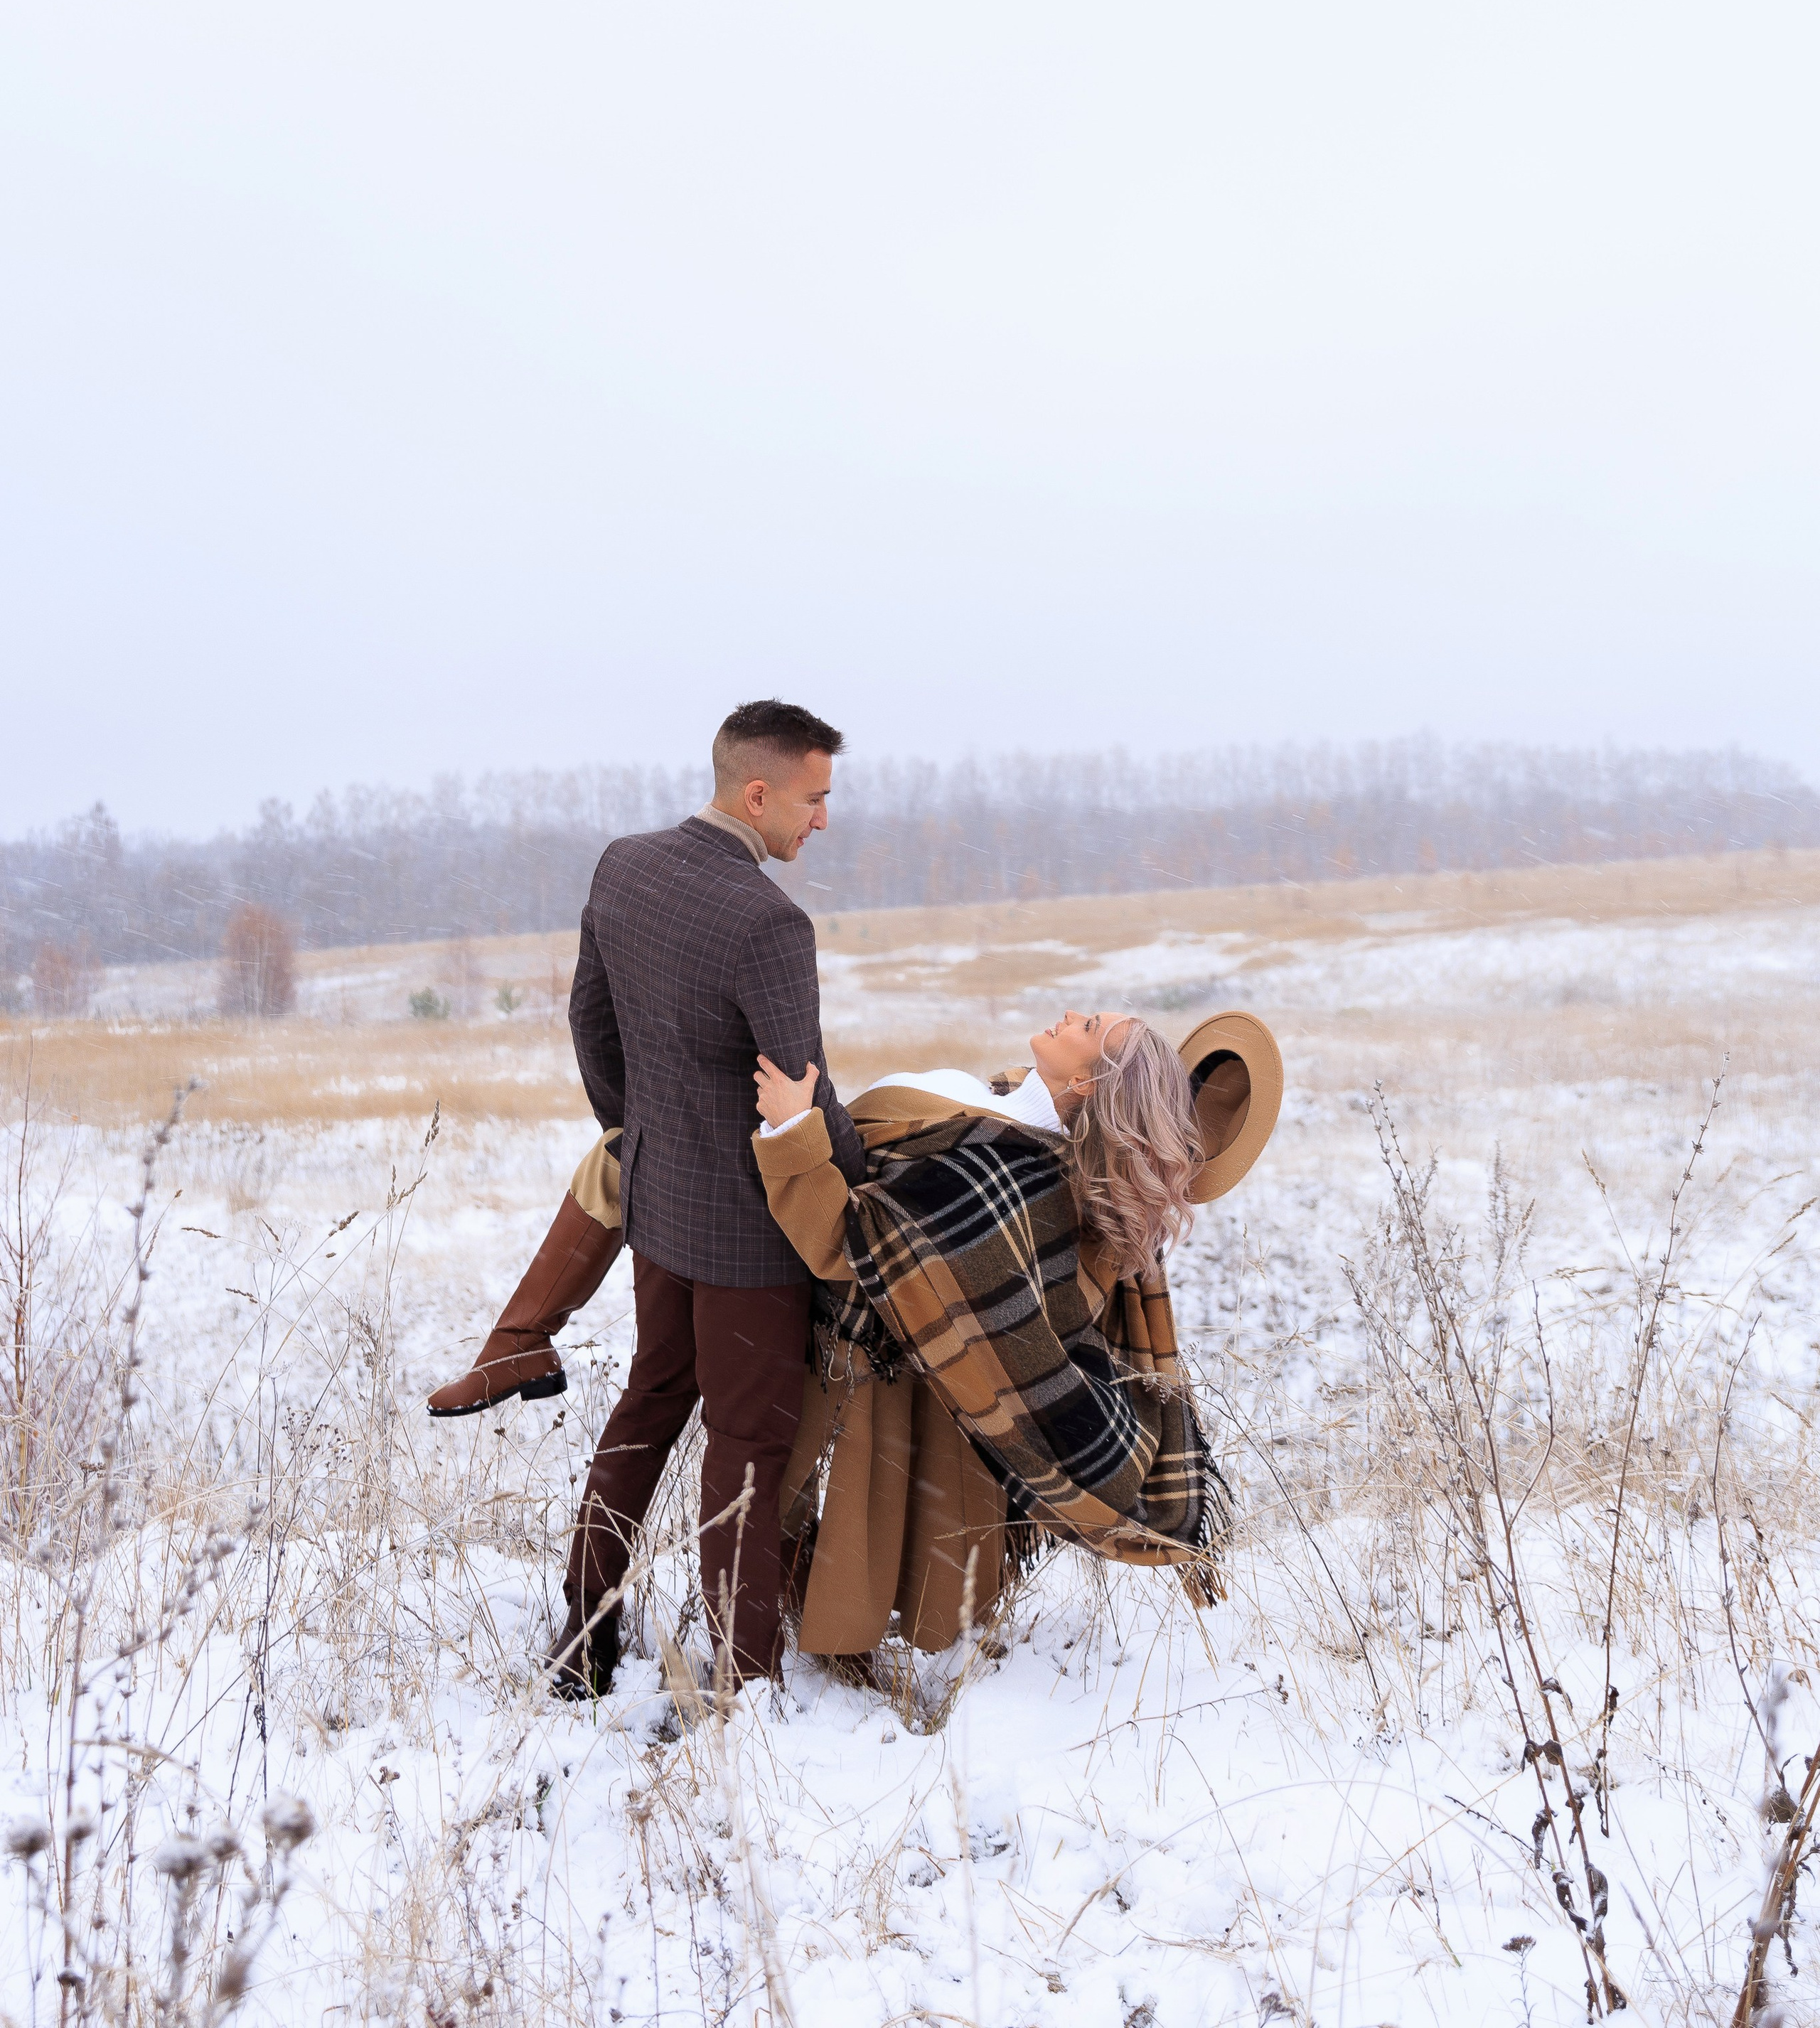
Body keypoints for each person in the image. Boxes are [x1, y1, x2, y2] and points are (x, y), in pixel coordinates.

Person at [425, 697, 862, 1696]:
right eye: (815, 798)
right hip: (753, 1240)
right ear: (759, 792)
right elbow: (801, 1091)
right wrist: (863, 1175)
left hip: (660, 1209)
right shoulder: (769, 923)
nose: (823, 820)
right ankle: (744, 1682)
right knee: (748, 1454)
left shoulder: (624, 865)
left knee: (651, 1403)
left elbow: (591, 1024)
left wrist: (644, 1136)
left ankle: (584, 1642)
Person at [747, 1004, 1281, 1661]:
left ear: (1088, 1085)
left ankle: (823, 1650)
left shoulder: (1013, 1175)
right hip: (879, 1363)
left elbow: (849, 1248)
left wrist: (795, 1131)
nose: (1071, 1014)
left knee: (810, 1541)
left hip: (868, 1372)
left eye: (1088, 1029)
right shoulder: (1000, 1104)